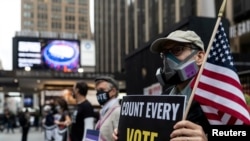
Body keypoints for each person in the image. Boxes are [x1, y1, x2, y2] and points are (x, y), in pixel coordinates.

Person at [113, 30, 209, 141]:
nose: (167, 60)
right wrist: (125, 133)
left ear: (200, 57)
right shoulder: (165, 97)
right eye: (164, 54)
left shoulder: (219, 99)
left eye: (177, 50)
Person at [94, 76, 121, 141]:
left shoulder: (118, 111)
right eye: (97, 91)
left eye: (101, 90)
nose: (98, 93)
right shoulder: (103, 111)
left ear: (113, 91)